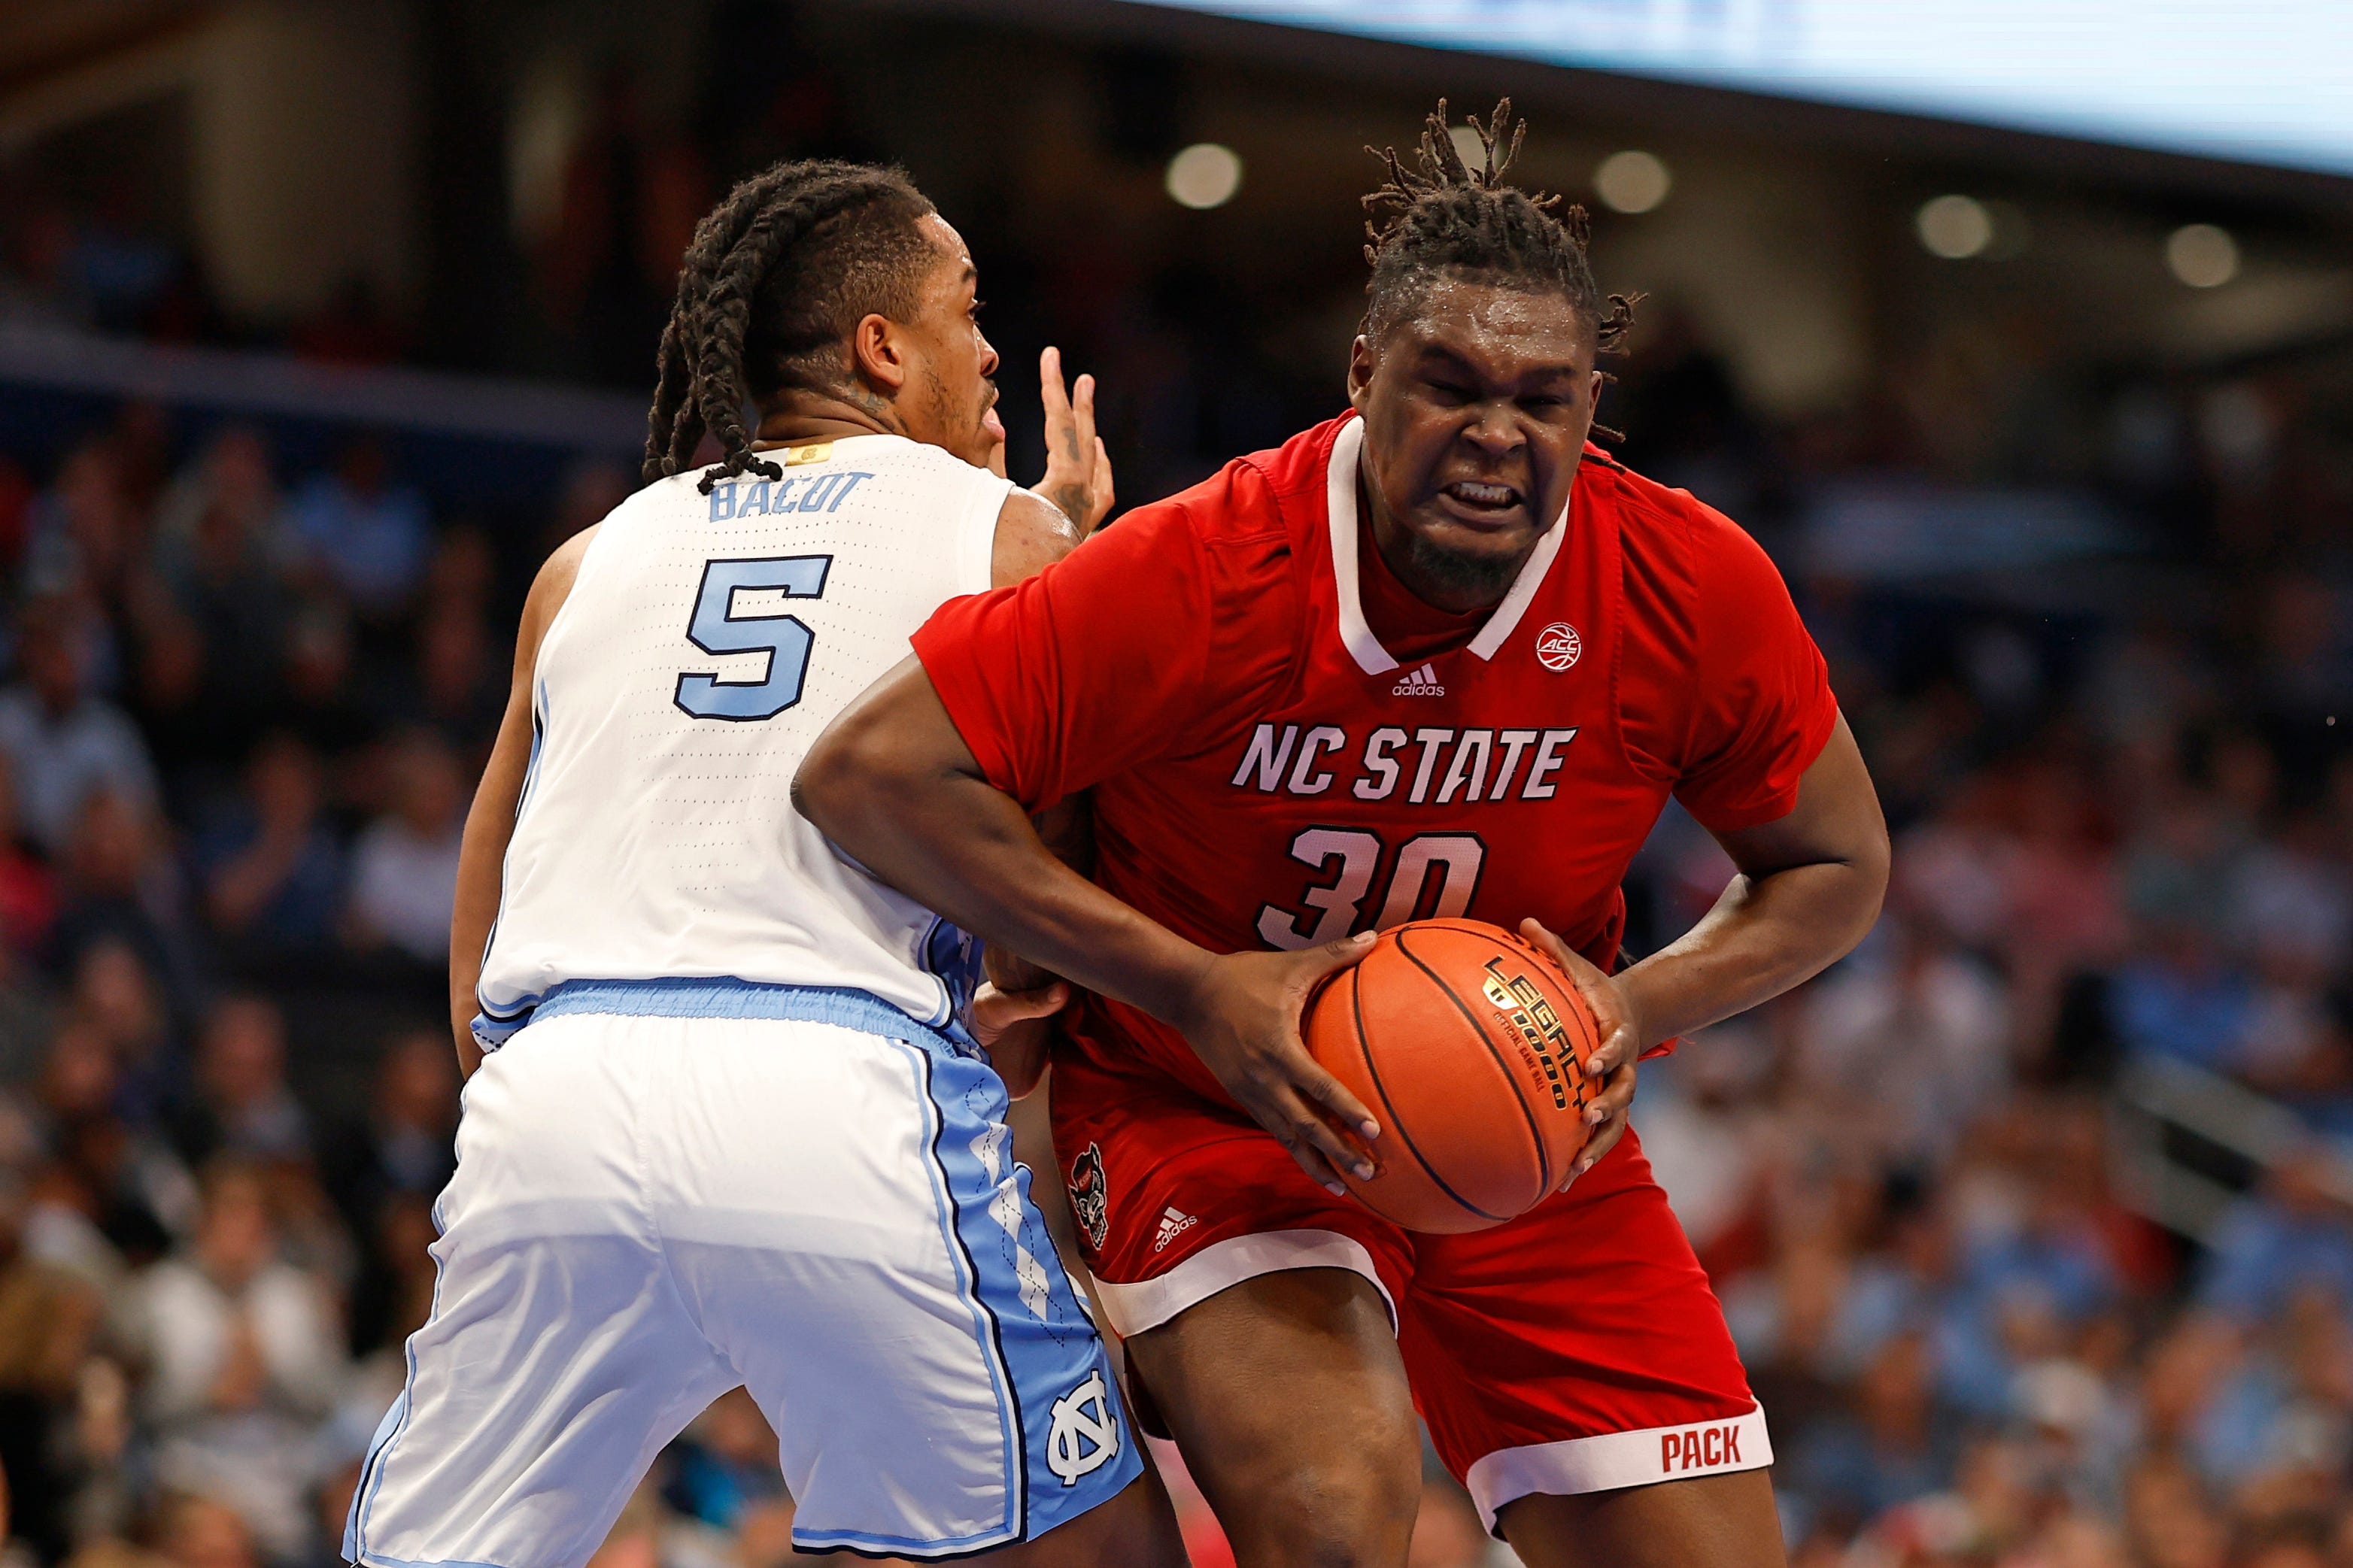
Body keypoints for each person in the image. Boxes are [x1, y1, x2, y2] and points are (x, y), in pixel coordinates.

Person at [797, 103, 1891, 1568]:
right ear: (1364, 373)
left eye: (1544, 398)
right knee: (1338, 1516)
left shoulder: (1684, 581)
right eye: (1450, 384)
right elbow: (868, 771)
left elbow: (1834, 863)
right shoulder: (1203, 563)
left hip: (1524, 1118)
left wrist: (1626, 1004)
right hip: (1209, 1102)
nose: (1497, 435)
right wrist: (1192, 987)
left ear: (1591, 407)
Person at [342, 159, 1178, 1568]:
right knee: (1097, 1550)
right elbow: (1041, 955)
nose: (990, 349)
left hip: (561, 1094)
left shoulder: (586, 556)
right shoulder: (1009, 534)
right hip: (833, 1080)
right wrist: (1071, 563)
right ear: (880, 347)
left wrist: (555, 1102)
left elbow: (481, 923)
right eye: (969, 313)